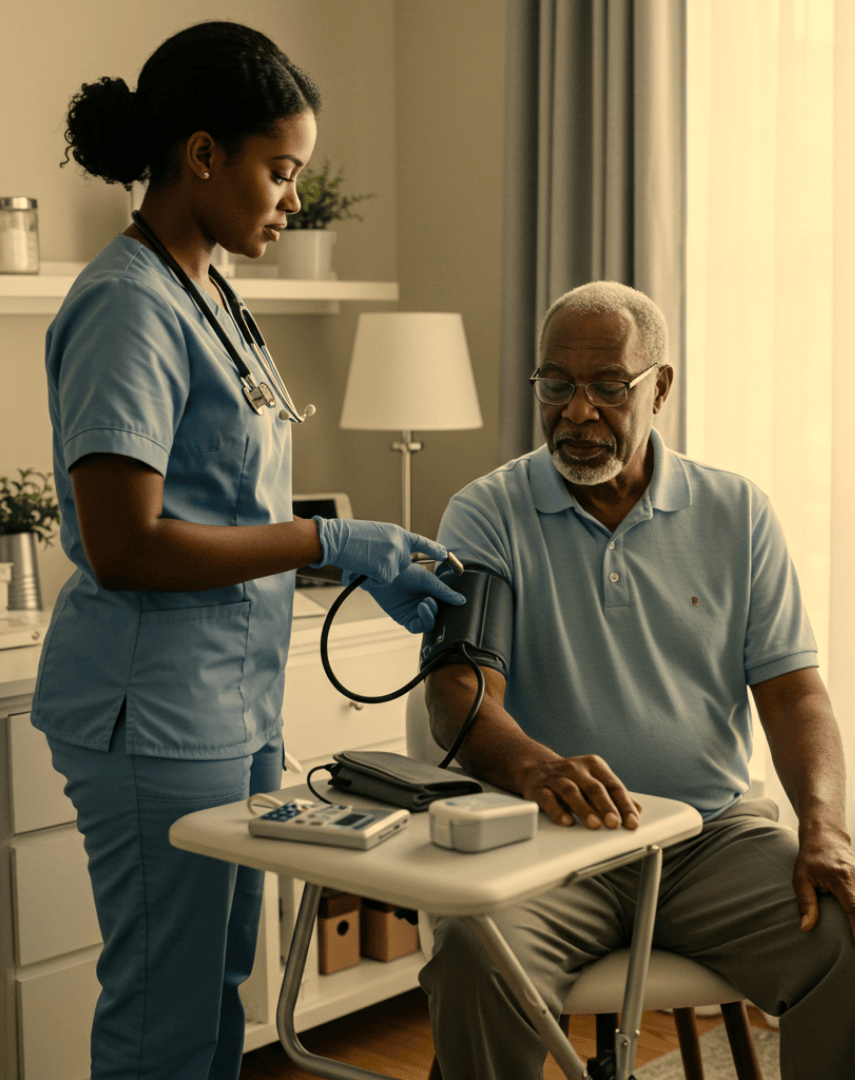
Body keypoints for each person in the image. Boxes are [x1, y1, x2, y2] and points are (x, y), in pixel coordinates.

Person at [32, 21, 462, 1080]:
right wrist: (329, 538)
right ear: (202, 155)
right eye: (281, 171)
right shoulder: (128, 307)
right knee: (163, 1009)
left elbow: (230, 503)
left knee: (224, 982)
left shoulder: (212, 293)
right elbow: (124, 544)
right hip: (154, 709)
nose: (294, 199)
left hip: (232, 701)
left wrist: (356, 553)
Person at [419, 280, 855, 1080]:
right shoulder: (486, 514)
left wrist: (825, 828)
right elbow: (459, 693)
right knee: (473, 956)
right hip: (545, 842)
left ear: (660, 386)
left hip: (705, 835)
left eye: (608, 387)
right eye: (556, 385)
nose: (578, 411)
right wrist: (536, 767)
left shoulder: (736, 511)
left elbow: (794, 696)